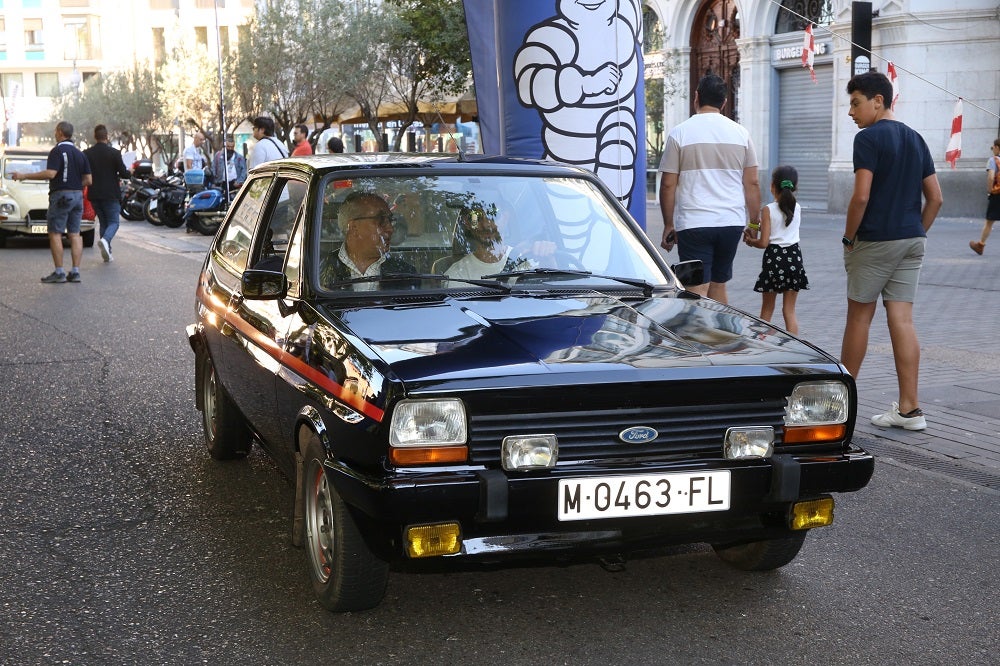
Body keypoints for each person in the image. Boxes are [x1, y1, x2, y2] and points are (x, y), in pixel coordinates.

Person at [841, 71, 943, 432]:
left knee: (858, 318)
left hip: (874, 240)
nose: (851, 112)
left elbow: (861, 196)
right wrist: (915, 232)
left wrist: (848, 237)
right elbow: (936, 197)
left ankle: (838, 407)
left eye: (856, 103)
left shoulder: (867, 139)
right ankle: (910, 409)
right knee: (902, 320)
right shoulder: (916, 138)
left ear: (878, 101)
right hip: (911, 240)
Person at [658, 73, 760, 304]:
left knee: (694, 289)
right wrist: (753, 224)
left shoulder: (679, 133)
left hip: (694, 225)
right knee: (718, 285)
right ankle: (720, 338)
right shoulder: (741, 134)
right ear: (724, 102)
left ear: (696, 97)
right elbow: (752, 183)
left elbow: (667, 184)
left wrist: (668, 224)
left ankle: (695, 339)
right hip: (730, 224)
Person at [11, 121, 92, 283]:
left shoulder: (57, 151)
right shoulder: (80, 154)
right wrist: (74, 186)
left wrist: (24, 176)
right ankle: (75, 272)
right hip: (77, 196)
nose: (54, 134)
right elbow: (88, 180)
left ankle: (59, 272)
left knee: (55, 232)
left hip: (61, 196)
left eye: (56, 131)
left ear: (60, 132)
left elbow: (50, 173)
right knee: (75, 233)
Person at [743, 166, 809, 334]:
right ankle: (795, 350)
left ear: (772, 186)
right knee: (789, 311)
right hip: (794, 258)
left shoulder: (768, 209)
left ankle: (762, 347)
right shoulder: (798, 207)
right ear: (795, 186)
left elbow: (764, 242)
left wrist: (751, 241)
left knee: (767, 310)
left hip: (774, 259)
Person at [320, 191, 416, 290]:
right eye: (381, 220)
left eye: (390, 220)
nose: (390, 229)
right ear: (354, 228)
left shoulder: (406, 274)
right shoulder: (315, 272)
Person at [83, 124, 130, 262]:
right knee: (114, 222)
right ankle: (106, 240)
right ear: (107, 136)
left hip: (94, 193)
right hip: (110, 194)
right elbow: (123, 173)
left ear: (94, 136)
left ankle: (107, 252)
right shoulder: (114, 153)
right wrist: (130, 172)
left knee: (104, 222)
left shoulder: (87, 153)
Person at [969, 137, 1000, 255]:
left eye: (993, 147)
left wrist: (990, 191)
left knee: (989, 221)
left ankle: (980, 245)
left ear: (997, 147)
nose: (992, 150)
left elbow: (991, 177)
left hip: (997, 195)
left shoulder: (993, 160)